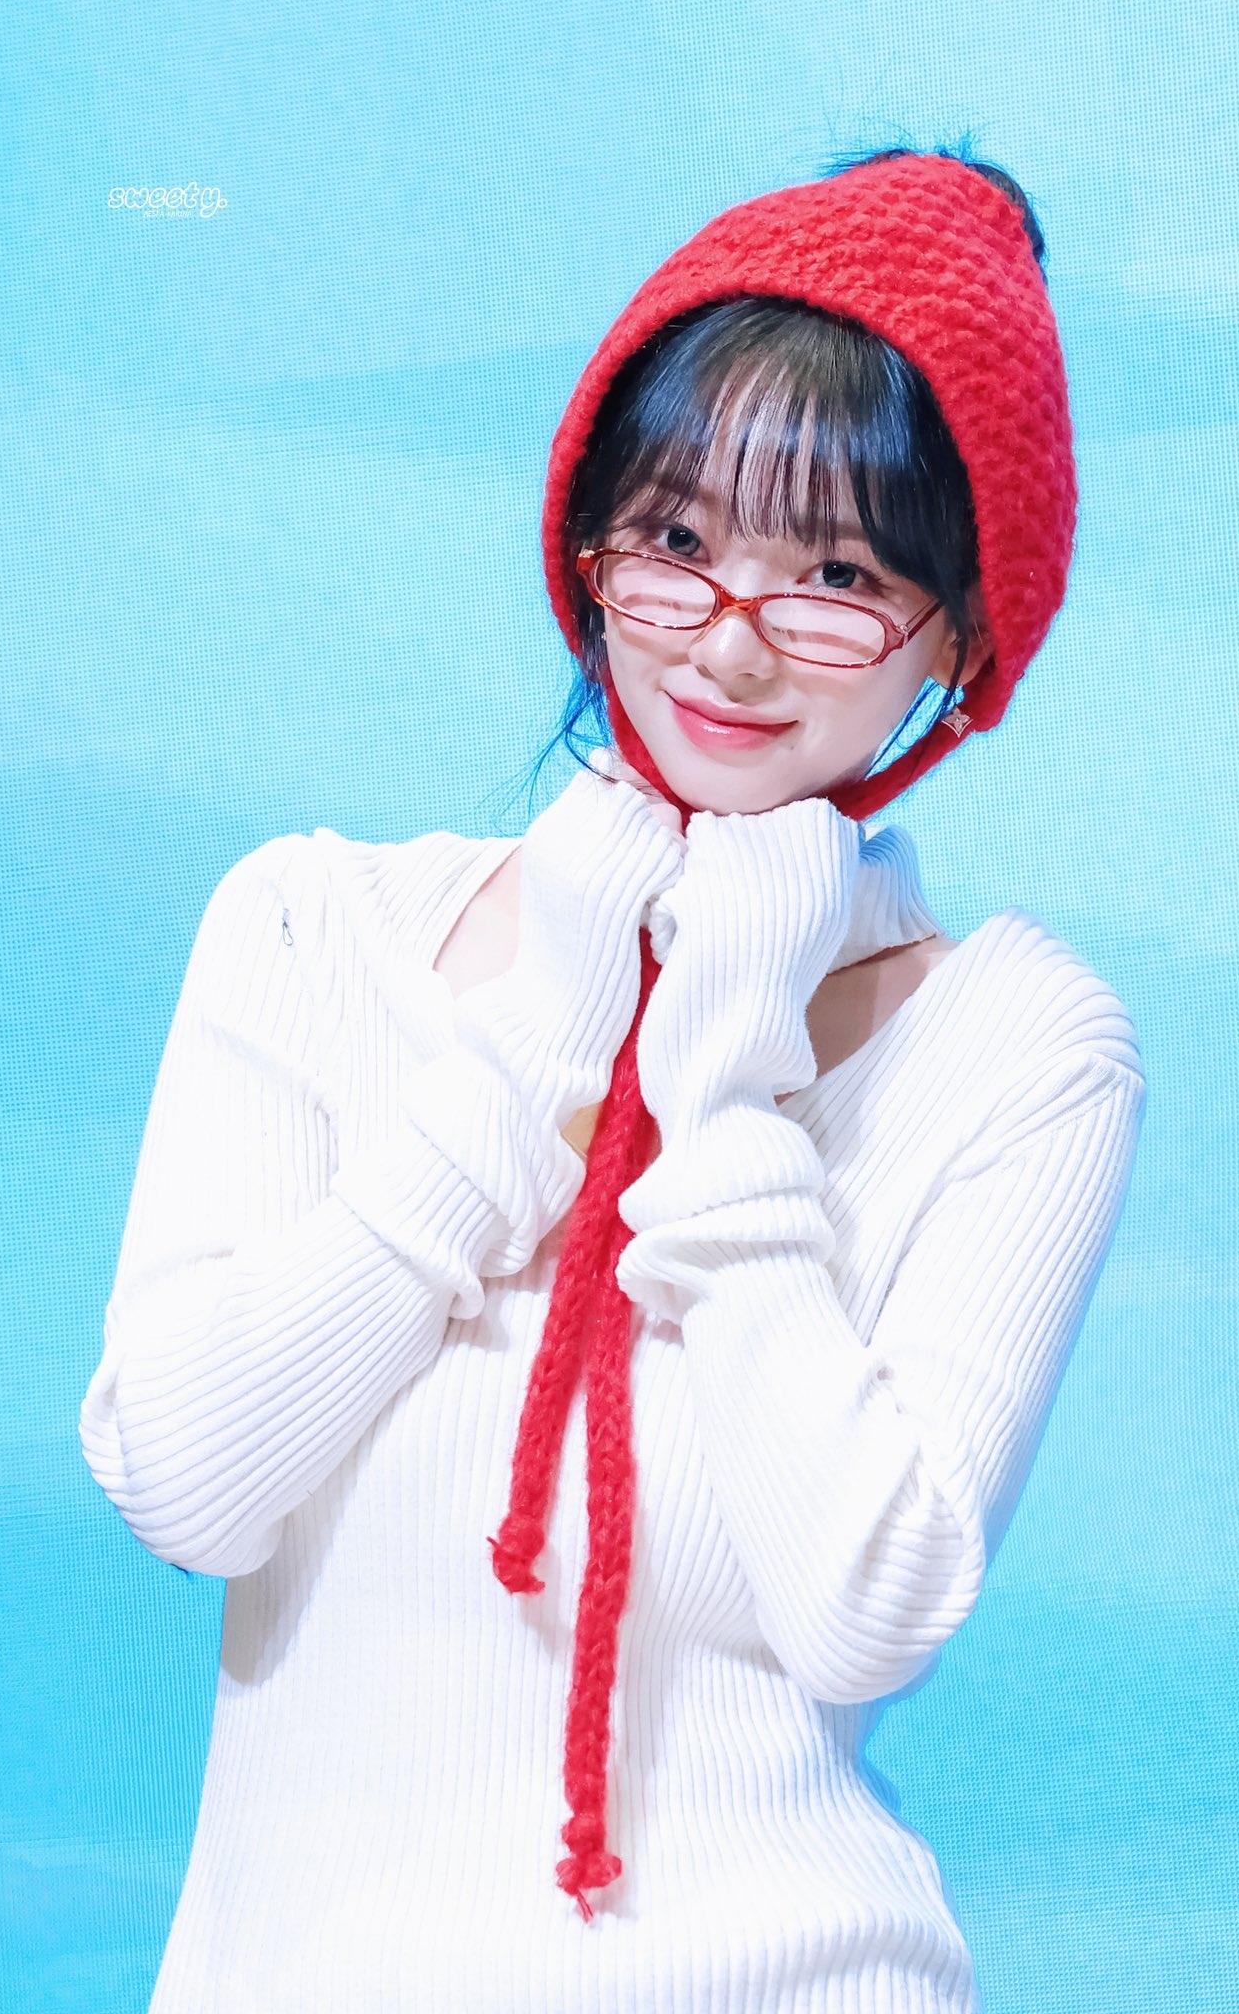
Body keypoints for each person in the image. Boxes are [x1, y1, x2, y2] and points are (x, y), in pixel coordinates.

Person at [80, 146, 1146, 2013]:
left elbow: (870, 1611)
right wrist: (538, 1043)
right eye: (676, 542)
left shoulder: (1014, 1042)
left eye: (838, 575)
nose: (731, 639)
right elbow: (188, 1485)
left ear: (966, 636)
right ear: (588, 539)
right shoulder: (314, 929)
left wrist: (723, 1089)